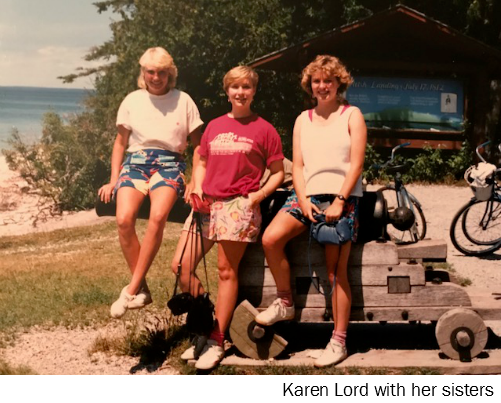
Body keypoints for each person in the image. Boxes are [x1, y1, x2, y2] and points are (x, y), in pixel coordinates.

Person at [256, 55, 367, 368]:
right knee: (270, 238)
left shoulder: (351, 115)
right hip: (306, 196)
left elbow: (356, 163)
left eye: (328, 80)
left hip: (340, 198)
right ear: (310, 85)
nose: (323, 86)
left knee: (335, 272)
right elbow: (299, 166)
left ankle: (339, 341)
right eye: (317, 81)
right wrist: (302, 200)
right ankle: (285, 302)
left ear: (339, 83)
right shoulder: (303, 119)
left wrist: (340, 201)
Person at [172, 66, 285, 370]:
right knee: (181, 266)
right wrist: (196, 183)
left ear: (253, 91)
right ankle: (206, 321)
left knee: (225, 272)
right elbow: (202, 160)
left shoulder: (265, 129)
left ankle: (215, 340)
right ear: (227, 91)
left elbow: (278, 173)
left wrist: (257, 196)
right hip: (206, 204)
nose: (240, 92)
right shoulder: (215, 126)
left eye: (246, 87)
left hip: (238, 206)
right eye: (235, 87)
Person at [98, 47, 204, 319]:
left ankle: (131, 290)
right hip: (135, 163)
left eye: (162, 72)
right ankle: (142, 288)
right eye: (151, 72)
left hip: (170, 164)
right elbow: (120, 142)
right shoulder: (132, 100)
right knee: (124, 219)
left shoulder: (183, 101)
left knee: (157, 216)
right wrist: (113, 180)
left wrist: (194, 179)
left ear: (171, 74)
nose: (156, 77)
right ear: (143, 73)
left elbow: (200, 146)